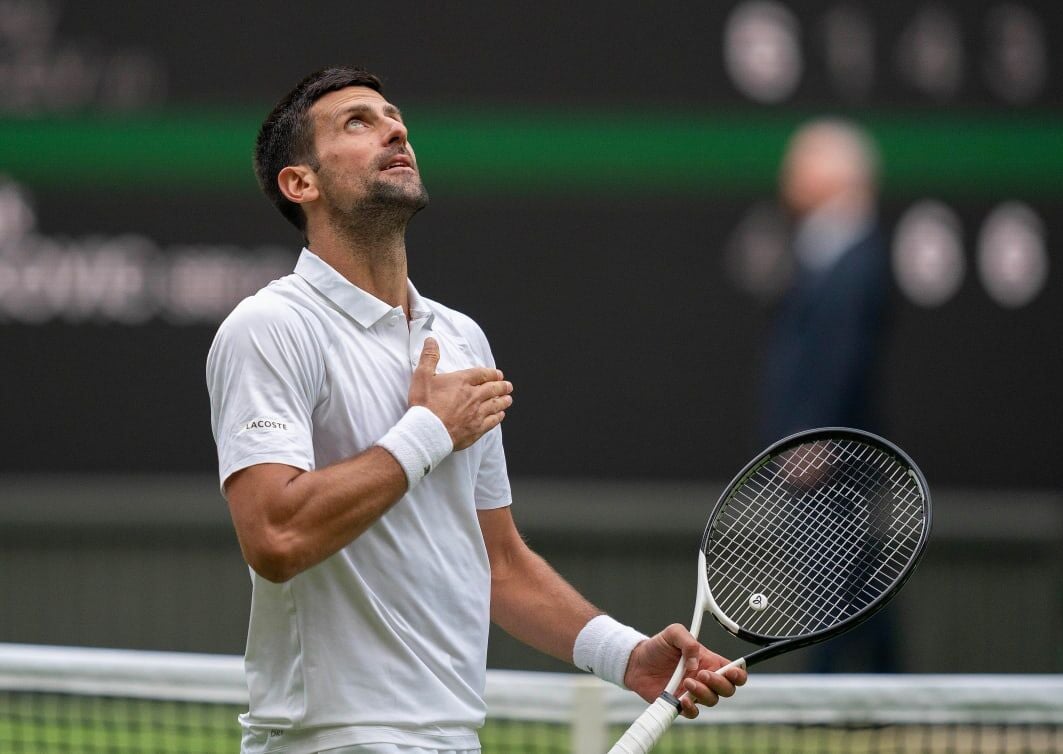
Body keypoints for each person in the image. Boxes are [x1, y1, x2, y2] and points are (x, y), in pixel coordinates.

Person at [206, 66, 745, 754]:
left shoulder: (459, 339)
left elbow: (497, 561)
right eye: (357, 123)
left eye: (393, 115)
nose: (394, 128)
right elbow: (274, 540)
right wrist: (429, 431)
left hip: (454, 737)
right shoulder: (271, 327)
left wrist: (627, 656)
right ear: (300, 183)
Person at [726, 119, 893, 672]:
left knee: (841, 577)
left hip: (833, 452)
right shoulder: (820, 248)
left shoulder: (855, 256)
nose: (786, 179)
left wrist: (815, 439)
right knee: (852, 576)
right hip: (821, 445)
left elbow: (840, 357)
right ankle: (886, 685)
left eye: (799, 167)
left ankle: (831, 695)